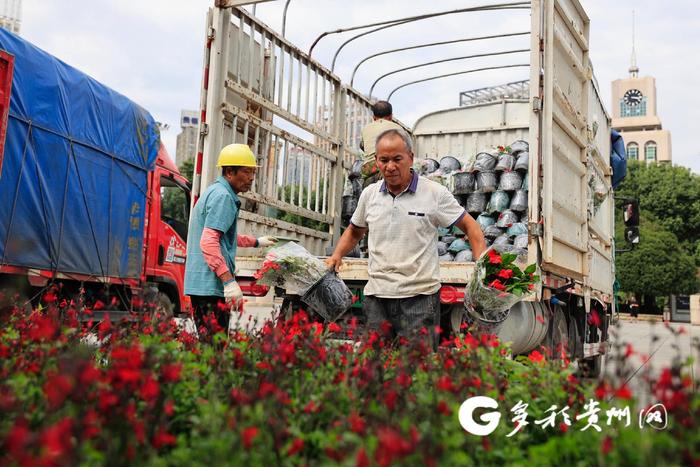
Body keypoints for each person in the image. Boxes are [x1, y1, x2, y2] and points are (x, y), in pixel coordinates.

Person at [326, 129, 486, 349]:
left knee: (416, 372)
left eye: (397, 159)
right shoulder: (369, 194)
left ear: (411, 158)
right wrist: (336, 255)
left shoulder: (434, 193)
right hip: (377, 298)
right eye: (384, 160)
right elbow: (355, 230)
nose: (390, 166)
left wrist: (482, 268)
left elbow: (471, 227)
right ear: (377, 162)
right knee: (375, 368)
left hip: (420, 300)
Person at [184, 143, 277, 337]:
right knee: (214, 350)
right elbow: (208, 242)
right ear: (229, 172)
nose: (251, 177)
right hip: (210, 287)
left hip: (203, 286)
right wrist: (228, 281)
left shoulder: (215, 192)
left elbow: (225, 236)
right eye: (246, 171)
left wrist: (257, 242)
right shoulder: (223, 197)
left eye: (253, 172)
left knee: (210, 348)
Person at [360, 100, 403, 188]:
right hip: (390, 170)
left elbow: (362, 146)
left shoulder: (366, 128)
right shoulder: (398, 128)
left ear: (374, 117)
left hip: (369, 170)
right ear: (391, 117)